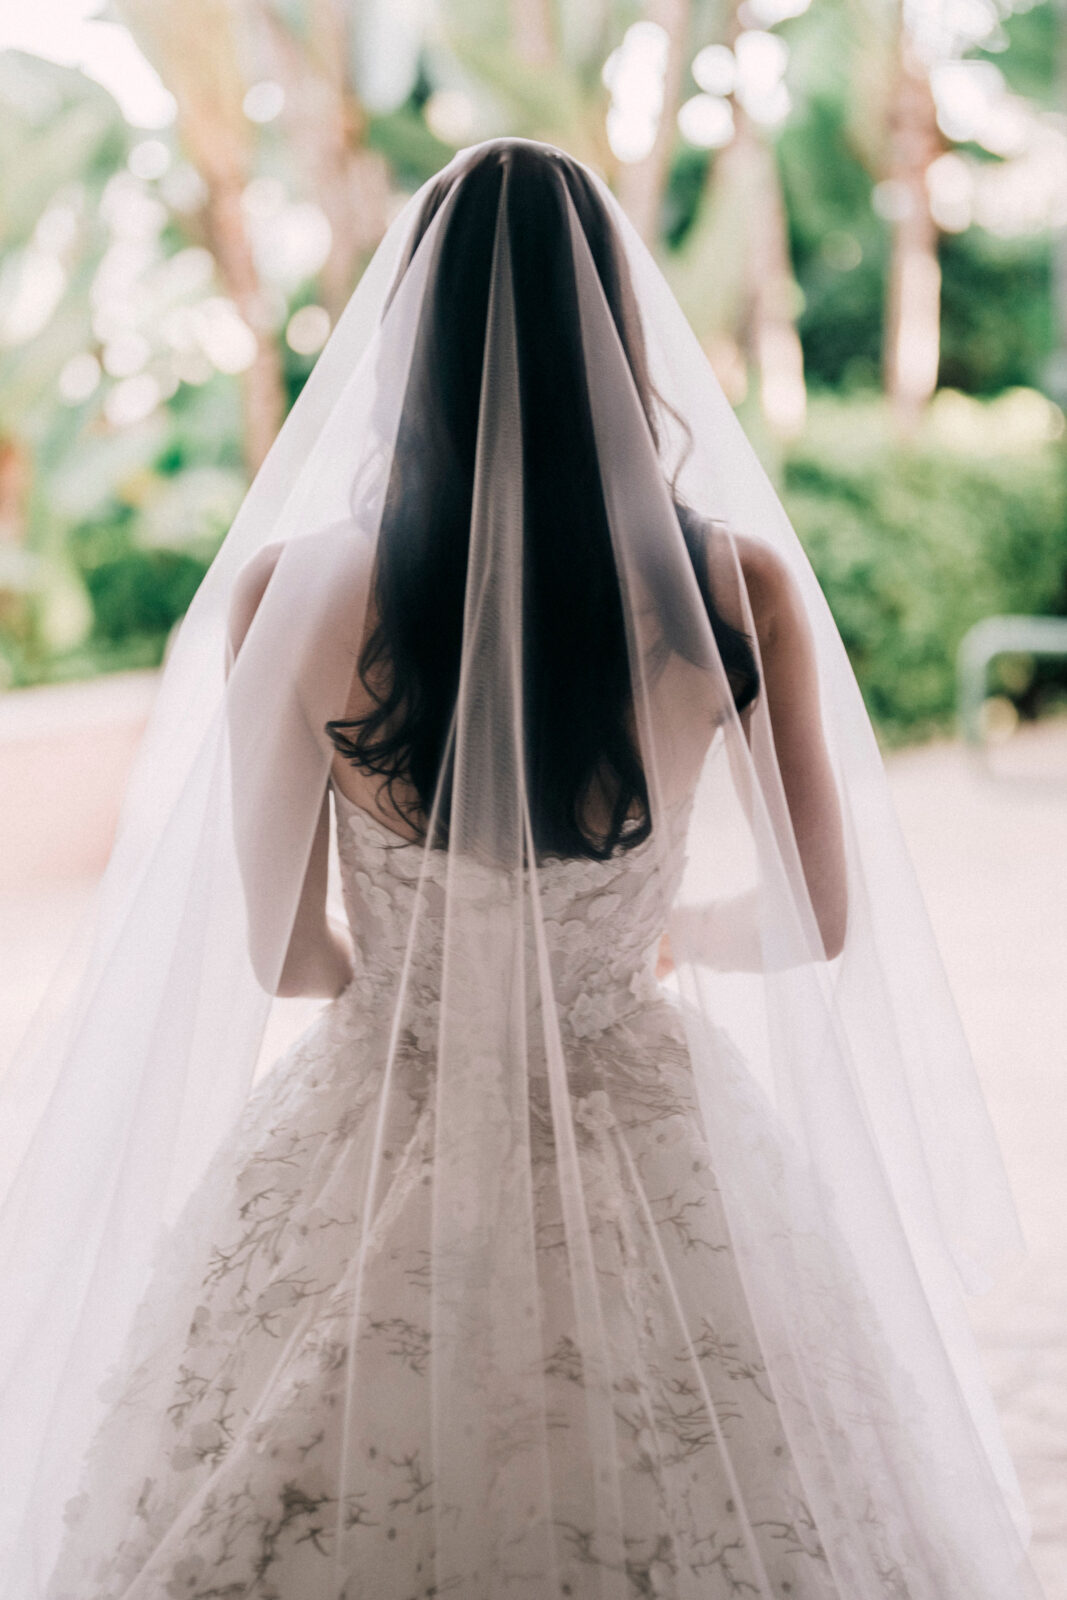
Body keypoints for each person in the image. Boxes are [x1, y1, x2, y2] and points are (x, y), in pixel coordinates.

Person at [0, 139, 1045, 1600]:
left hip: (383, 1113)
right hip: (645, 1115)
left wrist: (428, 987)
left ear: (407, 339)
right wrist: (651, 934)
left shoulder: (287, 594)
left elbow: (283, 958)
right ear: (618, 331)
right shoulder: (735, 588)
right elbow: (818, 918)